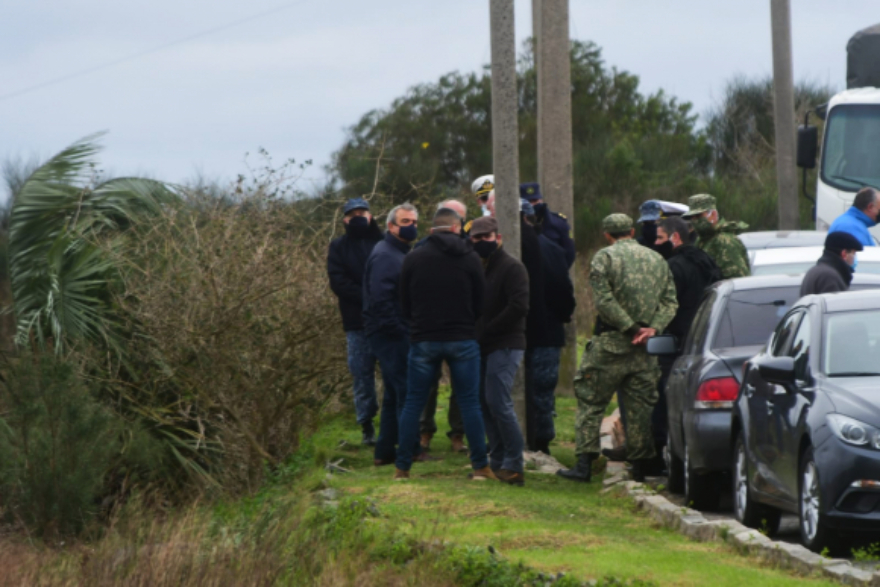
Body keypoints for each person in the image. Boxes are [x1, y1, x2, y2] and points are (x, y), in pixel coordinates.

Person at [557, 214, 677, 483]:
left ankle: (584, 464)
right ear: (632, 231)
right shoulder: (656, 258)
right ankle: (641, 468)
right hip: (645, 349)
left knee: (591, 402)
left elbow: (604, 300)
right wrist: (651, 329)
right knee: (640, 409)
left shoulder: (604, 257)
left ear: (607, 234)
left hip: (610, 344)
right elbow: (670, 301)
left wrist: (630, 328)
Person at [395, 207, 492, 480]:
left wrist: (419, 324)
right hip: (462, 338)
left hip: (424, 339)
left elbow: (404, 303)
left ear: (431, 230)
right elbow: (480, 302)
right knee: (470, 402)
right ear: (457, 228)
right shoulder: (471, 258)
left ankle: (402, 467)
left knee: (413, 402)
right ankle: (480, 466)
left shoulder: (413, 259)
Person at [362, 203, 428, 466]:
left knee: (392, 394)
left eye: (414, 221)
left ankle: (385, 450)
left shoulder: (397, 252)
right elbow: (381, 300)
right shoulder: (386, 255)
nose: (411, 226)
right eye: (405, 221)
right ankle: (411, 449)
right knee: (406, 391)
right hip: (390, 334)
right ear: (391, 226)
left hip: (391, 331)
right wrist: (401, 331)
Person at [470, 217, 530, 485]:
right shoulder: (477, 267)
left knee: (498, 401)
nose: (483, 242)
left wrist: (487, 329)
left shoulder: (512, 267)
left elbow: (518, 306)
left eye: (487, 237)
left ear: (499, 237)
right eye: (478, 238)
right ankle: (497, 459)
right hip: (483, 344)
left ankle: (514, 463)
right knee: (485, 402)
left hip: (506, 343)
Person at [327, 197, 383, 445]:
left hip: (387, 320)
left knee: (394, 373)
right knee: (361, 376)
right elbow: (338, 282)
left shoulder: (384, 242)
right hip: (356, 322)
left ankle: (395, 425)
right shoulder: (338, 247)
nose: (359, 217)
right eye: (353, 214)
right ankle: (367, 426)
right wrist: (368, 298)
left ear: (371, 216)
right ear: (345, 220)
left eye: (363, 212)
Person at [521, 199, 575, 455]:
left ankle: (519, 440)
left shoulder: (502, 248)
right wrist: (562, 316)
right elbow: (564, 292)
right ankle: (541, 443)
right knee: (542, 392)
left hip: (516, 333)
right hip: (547, 332)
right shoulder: (552, 249)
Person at [418, 199, 467, 454]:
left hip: (458, 329)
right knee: (428, 384)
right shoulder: (420, 251)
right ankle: (424, 432)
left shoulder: (468, 251)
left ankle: (457, 434)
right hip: (431, 329)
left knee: (460, 386)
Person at [681, 194, 750, 279]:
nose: (695, 220)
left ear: (713, 214)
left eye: (699, 216)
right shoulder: (701, 240)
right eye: (692, 217)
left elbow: (737, 279)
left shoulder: (724, 241)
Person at [520, 182, 575, 268]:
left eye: (535, 201)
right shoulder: (516, 225)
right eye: (528, 202)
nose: (532, 205)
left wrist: (557, 272)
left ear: (540, 200)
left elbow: (569, 253)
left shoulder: (559, 223)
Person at [800, 231, 863, 296]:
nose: (855, 257)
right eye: (854, 253)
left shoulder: (815, 271)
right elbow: (833, 304)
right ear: (844, 254)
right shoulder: (829, 277)